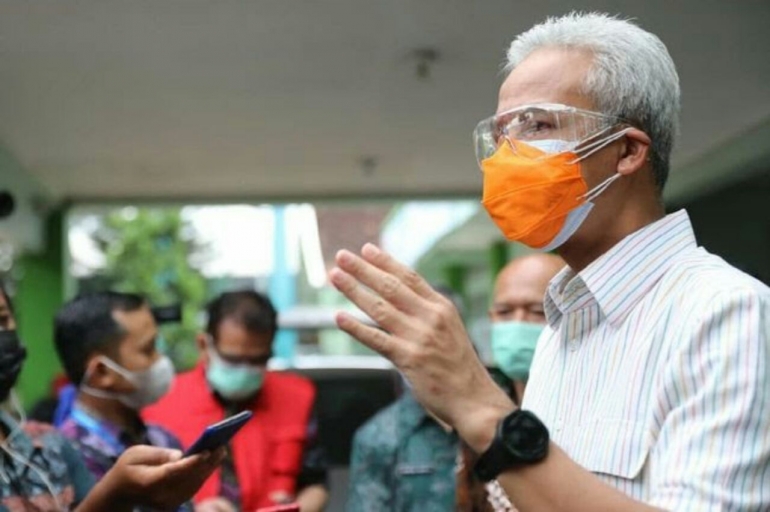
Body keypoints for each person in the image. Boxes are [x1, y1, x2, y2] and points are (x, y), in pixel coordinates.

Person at [329, 12, 770, 511]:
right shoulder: (563, 326)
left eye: (536, 124)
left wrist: (482, 406)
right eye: (500, 134)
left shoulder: (725, 313)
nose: (505, 158)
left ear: (626, 150)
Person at [0, 282, 225, 511]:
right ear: (102, 371)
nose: (161, 361)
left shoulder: (49, 447)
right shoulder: (75, 450)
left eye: (2, 320)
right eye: (147, 349)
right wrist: (115, 495)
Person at [144, 290, 329, 512]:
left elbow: (316, 482)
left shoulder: (298, 397)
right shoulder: (159, 401)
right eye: (232, 359)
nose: (245, 369)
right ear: (204, 345)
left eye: (257, 359)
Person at [346, 284, 466, 512]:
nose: (428, 347)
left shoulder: (497, 423)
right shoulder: (378, 437)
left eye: (440, 333)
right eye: (413, 333)